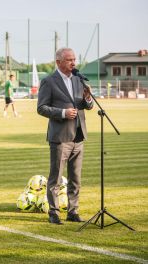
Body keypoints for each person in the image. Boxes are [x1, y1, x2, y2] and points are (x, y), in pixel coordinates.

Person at [37, 47, 94, 225]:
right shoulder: (49, 81)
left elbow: (87, 106)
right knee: (56, 177)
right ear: (59, 62)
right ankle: (53, 213)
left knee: (75, 178)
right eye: (69, 60)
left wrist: (88, 98)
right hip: (60, 137)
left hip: (78, 135)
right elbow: (41, 108)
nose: (73, 63)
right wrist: (62, 113)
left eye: (74, 59)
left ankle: (73, 211)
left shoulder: (78, 79)